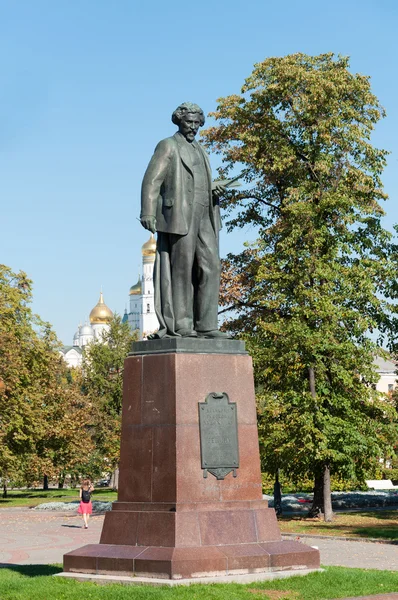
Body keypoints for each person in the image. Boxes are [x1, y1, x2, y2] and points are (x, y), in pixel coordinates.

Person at [140, 101, 230, 339]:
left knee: (211, 265)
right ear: (179, 121)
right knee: (182, 269)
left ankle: (207, 325)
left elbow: (198, 183)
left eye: (197, 123)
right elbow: (152, 180)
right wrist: (148, 212)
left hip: (204, 215)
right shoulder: (168, 146)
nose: (193, 127)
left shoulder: (200, 150)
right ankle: (182, 324)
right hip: (179, 215)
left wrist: (214, 189)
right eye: (188, 122)